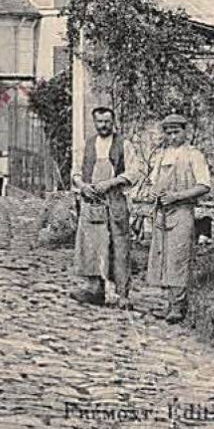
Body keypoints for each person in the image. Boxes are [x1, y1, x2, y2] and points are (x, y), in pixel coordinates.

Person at [136, 112, 213, 322]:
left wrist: (177, 196)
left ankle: (178, 306)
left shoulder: (193, 155)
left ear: (185, 132)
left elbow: (204, 185)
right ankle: (168, 303)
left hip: (182, 211)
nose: (172, 137)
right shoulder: (160, 155)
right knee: (163, 258)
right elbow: (153, 181)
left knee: (178, 257)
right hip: (162, 212)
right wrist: (154, 193)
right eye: (168, 132)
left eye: (176, 132)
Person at [68, 104, 139, 308]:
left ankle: (122, 294)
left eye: (107, 121)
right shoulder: (87, 144)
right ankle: (94, 290)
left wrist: (111, 182)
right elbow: (76, 171)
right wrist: (83, 186)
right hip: (92, 202)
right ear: (95, 123)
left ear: (113, 122)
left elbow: (134, 172)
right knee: (91, 246)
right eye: (100, 122)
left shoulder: (124, 144)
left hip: (115, 201)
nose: (104, 125)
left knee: (119, 247)